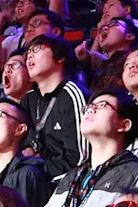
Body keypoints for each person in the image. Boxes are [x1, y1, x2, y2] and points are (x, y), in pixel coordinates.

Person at [19, 36, 88, 180]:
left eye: (37, 49)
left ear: (60, 57)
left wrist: (36, 167)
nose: (29, 55)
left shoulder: (72, 94)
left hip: (65, 181)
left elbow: (78, 158)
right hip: (32, 176)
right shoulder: (28, 99)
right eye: (28, 52)